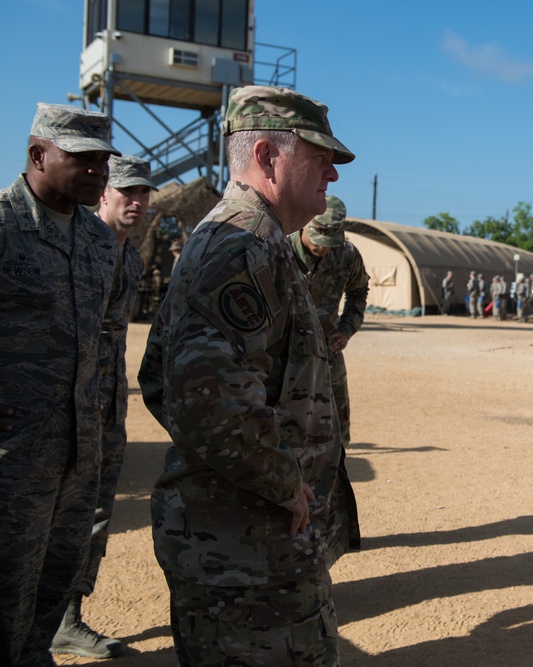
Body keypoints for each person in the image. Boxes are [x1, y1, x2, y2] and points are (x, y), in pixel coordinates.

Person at [137, 85, 355, 666]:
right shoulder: (241, 246)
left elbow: (162, 376)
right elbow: (210, 404)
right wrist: (283, 480)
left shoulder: (251, 239)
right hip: (245, 548)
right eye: (320, 157)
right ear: (266, 156)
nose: (332, 175)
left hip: (248, 537)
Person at [0, 103, 123, 667]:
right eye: (83, 158)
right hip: (13, 457)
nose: (99, 171)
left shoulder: (100, 244)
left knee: (56, 574)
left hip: (79, 451)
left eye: (104, 159)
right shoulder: (4, 226)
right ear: (38, 155)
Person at [50, 155, 156, 659]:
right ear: (105, 193)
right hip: (53, 404)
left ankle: (67, 617)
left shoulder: (131, 258)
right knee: (39, 511)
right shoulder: (67, 243)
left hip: (107, 406)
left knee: (92, 513)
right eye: (128, 192)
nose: (137, 202)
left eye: (145, 194)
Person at [290, 194, 367, 561]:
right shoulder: (277, 248)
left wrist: (347, 328)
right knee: (290, 439)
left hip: (328, 360)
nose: (321, 250)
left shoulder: (346, 255)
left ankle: (329, 527)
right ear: (305, 225)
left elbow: (359, 291)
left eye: (329, 242)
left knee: (337, 440)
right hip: (288, 364)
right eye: (317, 239)